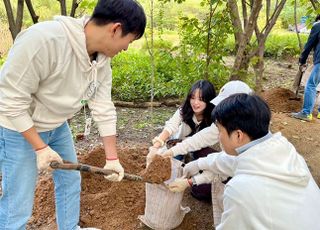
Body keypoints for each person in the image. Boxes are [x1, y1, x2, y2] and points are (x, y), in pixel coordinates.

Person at [0, 0, 146, 229]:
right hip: (18, 127)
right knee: (18, 202)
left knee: (70, 180)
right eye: (130, 41)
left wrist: (112, 158)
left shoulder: (101, 59)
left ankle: (69, 227)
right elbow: (9, 101)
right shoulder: (44, 40)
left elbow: (103, 106)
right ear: (115, 29)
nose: (126, 48)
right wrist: (40, 147)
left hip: (57, 126)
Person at [169, 94, 320, 229]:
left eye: (220, 130)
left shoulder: (240, 191)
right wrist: (195, 165)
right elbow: (231, 161)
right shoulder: (284, 151)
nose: (219, 136)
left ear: (238, 135)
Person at [150, 79, 216, 200]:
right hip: (178, 145)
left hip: (201, 150)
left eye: (201, 99)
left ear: (209, 100)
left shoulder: (214, 118)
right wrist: (158, 143)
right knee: (168, 164)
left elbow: (198, 140)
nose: (195, 103)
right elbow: (171, 125)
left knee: (200, 192)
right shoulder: (185, 109)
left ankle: (192, 169)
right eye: (193, 97)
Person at [291, 15, 320, 121]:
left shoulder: (318, 25)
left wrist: (302, 60)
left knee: (311, 85)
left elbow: (309, 45)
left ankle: (306, 113)